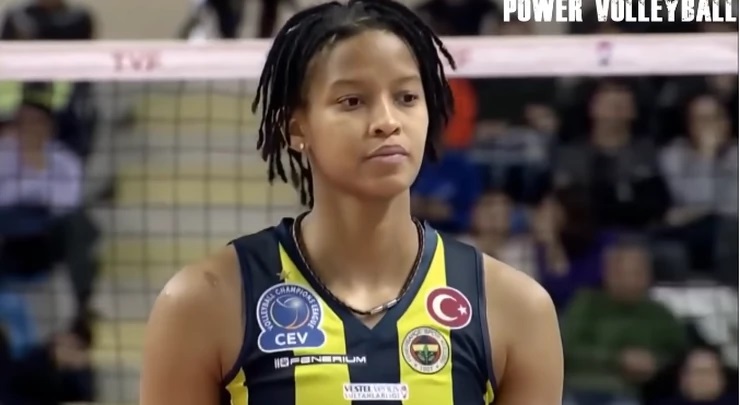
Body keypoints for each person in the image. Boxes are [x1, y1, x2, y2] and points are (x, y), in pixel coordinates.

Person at [141, 1, 563, 404]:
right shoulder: (205, 302)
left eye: (406, 97)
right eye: (352, 101)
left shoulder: (516, 309)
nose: (387, 122)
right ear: (296, 128)